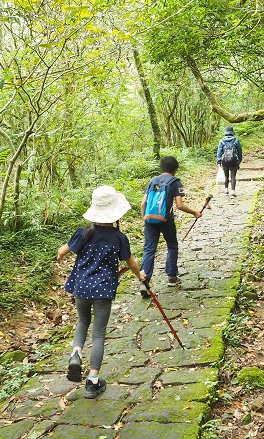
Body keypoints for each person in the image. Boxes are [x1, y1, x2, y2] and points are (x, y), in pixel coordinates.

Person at [57, 185, 146, 399]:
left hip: (81, 287)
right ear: (115, 213)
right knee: (98, 333)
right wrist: (140, 276)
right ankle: (93, 382)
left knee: (82, 322)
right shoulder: (119, 238)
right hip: (104, 290)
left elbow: (62, 251)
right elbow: (131, 262)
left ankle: (76, 353)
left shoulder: (84, 233)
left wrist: (61, 255)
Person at [139, 155, 201, 296]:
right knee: (172, 245)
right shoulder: (175, 182)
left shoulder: (152, 181)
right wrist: (194, 212)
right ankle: (172, 277)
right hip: (166, 220)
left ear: (161, 168)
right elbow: (179, 205)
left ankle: (144, 281)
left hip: (149, 220)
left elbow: (143, 203)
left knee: (149, 249)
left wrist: (146, 218)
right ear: (175, 169)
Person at [216, 126, 243, 197]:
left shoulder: (221, 141)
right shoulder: (236, 140)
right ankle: (233, 191)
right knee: (233, 176)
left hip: (225, 160)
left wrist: (219, 162)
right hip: (234, 160)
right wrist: (239, 160)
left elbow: (219, 152)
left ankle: (226, 190)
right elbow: (240, 151)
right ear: (232, 133)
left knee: (226, 175)